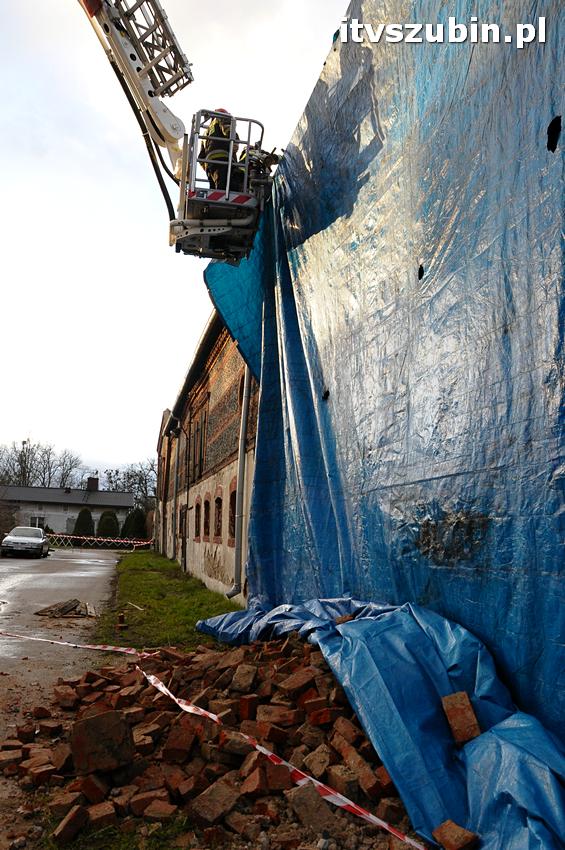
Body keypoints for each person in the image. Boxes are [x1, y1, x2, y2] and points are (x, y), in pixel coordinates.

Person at [199, 109, 245, 192]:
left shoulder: (206, 133)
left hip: (210, 166)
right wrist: (235, 142)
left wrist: (207, 167)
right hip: (223, 159)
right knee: (224, 188)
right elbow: (228, 129)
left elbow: (200, 157)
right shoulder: (220, 117)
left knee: (215, 190)